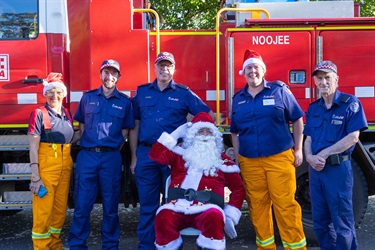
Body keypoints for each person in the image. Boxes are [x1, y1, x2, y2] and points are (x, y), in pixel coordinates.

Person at [129, 51, 214, 249]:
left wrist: (190, 136)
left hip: (174, 157)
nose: (164, 69)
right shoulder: (142, 92)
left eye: (168, 65)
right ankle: (147, 246)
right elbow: (135, 125)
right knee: (148, 206)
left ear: (174, 69)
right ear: (155, 68)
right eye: (161, 65)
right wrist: (134, 157)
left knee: (175, 205)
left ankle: (171, 246)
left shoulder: (183, 93)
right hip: (147, 154)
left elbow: (208, 115)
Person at [230, 49, 307, 249]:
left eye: (256, 67)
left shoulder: (279, 90)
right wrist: (238, 157)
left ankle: (296, 247)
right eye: (248, 68)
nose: (252, 71)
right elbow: (234, 131)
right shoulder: (238, 98)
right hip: (250, 161)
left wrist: (298, 150)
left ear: (263, 70)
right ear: (243, 72)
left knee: (285, 205)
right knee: (257, 207)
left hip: (279, 157)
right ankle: (266, 247)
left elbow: (298, 119)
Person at [149, 112, 245, 250]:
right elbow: (155, 155)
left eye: (209, 131)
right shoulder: (179, 154)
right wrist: (175, 134)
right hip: (176, 207)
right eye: (201, 131)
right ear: (192, 134)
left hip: (208, 209)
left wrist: (230, 216)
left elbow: (238, 189)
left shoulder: (223, 160)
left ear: (214, 136)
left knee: (214, 217)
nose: (205, 134)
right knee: (163, 217)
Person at [68, 59, 134, 250]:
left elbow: (125, 133)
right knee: (82, 206)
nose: (109, 76)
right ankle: (77, 245)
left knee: (111, 207)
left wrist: (110, 149)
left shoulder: (124, 102)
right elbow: (81, 125)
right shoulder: (87, 98)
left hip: (111, 158)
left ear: (119, 77)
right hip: (87, 156)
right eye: (106, 72)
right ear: (100, 75)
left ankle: (110, 246)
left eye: (113, 73)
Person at [303, 61, 368, 250]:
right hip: (316, 171)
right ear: (315, 81)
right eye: (320, 78)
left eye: (327, 77)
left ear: (336, 80)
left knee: (342, 223)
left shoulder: (350, 104)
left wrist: (323, 153)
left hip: (337, 170)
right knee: (320, 223)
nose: (323, 82)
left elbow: (353, 137)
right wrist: (309, 157)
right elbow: (308, 138)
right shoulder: (314, 108)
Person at [28, 72, 76, 249]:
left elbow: (70, 139)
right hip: (46, 169)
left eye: (58, 92)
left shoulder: (67, 114)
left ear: (64, 94)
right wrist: (36, 177)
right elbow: (33, 147)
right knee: (43, 214)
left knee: (58, 213)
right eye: (50, 92)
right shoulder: (38, 114)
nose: (54, 96)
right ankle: (41, 247)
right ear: (45, 94)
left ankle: (55, 246)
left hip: (64, 167)